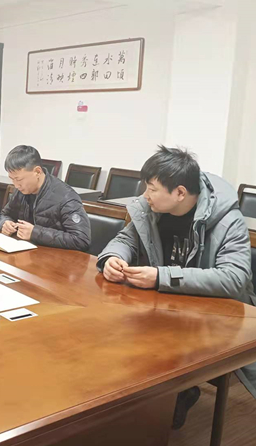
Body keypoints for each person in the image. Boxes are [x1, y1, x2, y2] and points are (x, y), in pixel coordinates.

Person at [97, 145, 256, 429]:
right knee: (112, 331)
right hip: (165, 304)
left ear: (180, 193)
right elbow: (126, 239)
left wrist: (161, 277)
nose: (145, 195)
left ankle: (176, 394)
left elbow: (234, 278)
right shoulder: (153, 209)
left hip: (214, 315)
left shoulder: (227, 220)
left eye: (152, 189)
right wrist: (112, 258)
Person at [0, 145, 91, 251]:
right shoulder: (22, 190)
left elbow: (81, 240)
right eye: (12, 179)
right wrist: (5, 223)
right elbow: (5, 214)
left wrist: (35, 233)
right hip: (27, 251)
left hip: (56, 256)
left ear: (37, 172)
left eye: (19, 179)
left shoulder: (66, 197)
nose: (16, 185)